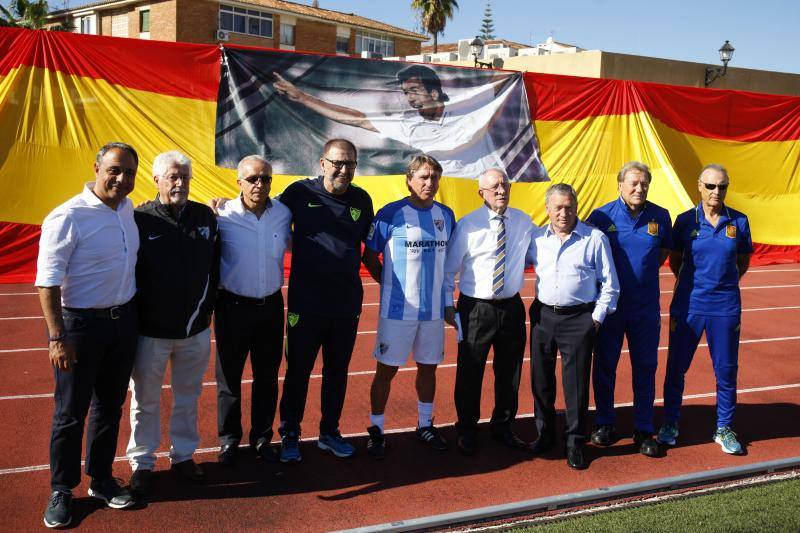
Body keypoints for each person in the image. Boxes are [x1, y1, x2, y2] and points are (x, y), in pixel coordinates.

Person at [36, 142, 140, 528]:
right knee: (69, 413)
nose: (121, 179)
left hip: (123, 322)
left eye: (128, 172)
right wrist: (56, 337)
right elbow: (46, 283)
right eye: (114, 170)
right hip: (79, 327)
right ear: (96, 168)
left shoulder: (128, 209)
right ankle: (62, 488)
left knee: (109, 407)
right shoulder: (67, 216)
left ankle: (100, 479)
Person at [272, 65, 544, 181]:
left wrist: (514, 79)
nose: (408, 98)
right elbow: (356, 118)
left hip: (490, 187)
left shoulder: (471, 109)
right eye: (405, 93)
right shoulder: (407, 125)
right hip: (446, 195)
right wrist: (303, 97)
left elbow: (501, 92)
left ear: (434, 93)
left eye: (414, 91)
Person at [126, 151, 218, 495]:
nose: (179, 183)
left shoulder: (206, 216)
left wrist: (209, 308)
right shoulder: (138, 219)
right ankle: (142, 462)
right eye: (172, 177)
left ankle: (182, 456)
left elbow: (216, 264)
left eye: (184, 177)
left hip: (195, 330)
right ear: (157, 180)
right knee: (145, 399)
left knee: (188, 397)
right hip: (151, 332)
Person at [277, 139, 374, 462]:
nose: (343, 170)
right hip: (306, 304)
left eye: (349, 164)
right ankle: (290, 434)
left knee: (337, 372)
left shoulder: (362, 199)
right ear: (322, 163)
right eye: (337, 163)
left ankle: (329, 432)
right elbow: (262, 211)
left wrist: (390, 283)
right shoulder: (298, 193)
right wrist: (226, 205)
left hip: (346, 305)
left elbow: (369, 249)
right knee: (298, 371)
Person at [362, 155, 456, 458]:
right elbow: (369, 256)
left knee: (428, 368)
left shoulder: (447, 215)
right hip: (397, 312)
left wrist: (447, 303)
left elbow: (448, 263)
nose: (429, 183)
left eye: (434, 178)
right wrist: (389, 285)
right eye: (423, 177)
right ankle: (376, 428)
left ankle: (425, 424)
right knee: (385, 371)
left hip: (432, 313)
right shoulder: (390, 214)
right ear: (409, 179)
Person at [657, 164, 752, 455]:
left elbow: (742, 262)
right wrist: (691, 286)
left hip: (725, 307)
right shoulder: (685, 221)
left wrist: (723, 284)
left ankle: (723, 428)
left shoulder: (740, 221)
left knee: (726, 371)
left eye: (722, 186)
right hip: (689, 306)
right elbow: (675, 260)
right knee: (676, 368)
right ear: (699, 186)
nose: (716, 192)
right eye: (710, 186)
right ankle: (671, 423)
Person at [527, 183, 619, 470]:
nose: (563, 213)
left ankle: (575, 442)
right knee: (541, 381)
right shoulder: (536, 239)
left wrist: (596, 319)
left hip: (579, 319)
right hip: (543, 316)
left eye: (569, 207)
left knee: (576, 385)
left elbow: (610, 285)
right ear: (547, 209)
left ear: (576, 207)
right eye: (558, 207)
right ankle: (545, 434)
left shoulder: (594, 239)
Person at [443, 168, 534, 456]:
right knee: (470, 371)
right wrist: (448, 303)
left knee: (510, 372)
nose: (501, 191)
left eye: (505, 185)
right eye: (494, 187)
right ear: (481, 192)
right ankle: (467, 429)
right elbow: (449, 270)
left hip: (511, 307)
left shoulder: (523, 221)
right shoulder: (468, 225)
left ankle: (503, 427)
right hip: (476, 309)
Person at [586, 162, 672, 458]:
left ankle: (644, 428)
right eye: (634, 183)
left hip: (645, 308)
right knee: (605, 366)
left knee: (645, 368)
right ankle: (605, 422)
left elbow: (661, 253)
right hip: (610, 308)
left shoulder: (660, 216)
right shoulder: (600, 216)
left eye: (644, 183)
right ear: (620, 184)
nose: (639, 188)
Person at [214, 155, 291, 466]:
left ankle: (261, 437)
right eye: (252, 179)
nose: (260, 184)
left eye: (266, 179)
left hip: (271, 307)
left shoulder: (284, 213)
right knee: (229, 379)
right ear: (239, 182)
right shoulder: (221, 214)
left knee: (267, 377)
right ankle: (229, 440)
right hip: (232, 307)